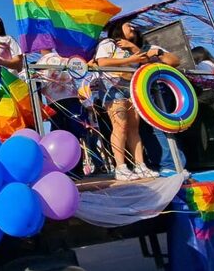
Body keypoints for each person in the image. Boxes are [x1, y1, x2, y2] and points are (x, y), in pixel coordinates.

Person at [94, 21, 163, 180]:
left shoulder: (132, 47)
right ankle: (121, 167)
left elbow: (145, 62)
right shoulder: (108, 43)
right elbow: (102, 62)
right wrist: (128, 60)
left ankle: (140, 166)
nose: (132, 28)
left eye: (133, 26)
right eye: (128, 25)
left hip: (132, 88)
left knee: (134, 127)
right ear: (118, 29)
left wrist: (132, 48)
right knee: (120, 126)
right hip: (113, 87)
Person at [38, 49, 88, 177]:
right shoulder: (64, 57)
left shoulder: (43, 62)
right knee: (74, 134)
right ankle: (75, 170)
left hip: (57, 102)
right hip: (69, 100)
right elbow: (79, 74)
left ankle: (66, 169)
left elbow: (41, 87)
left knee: (59, 134)